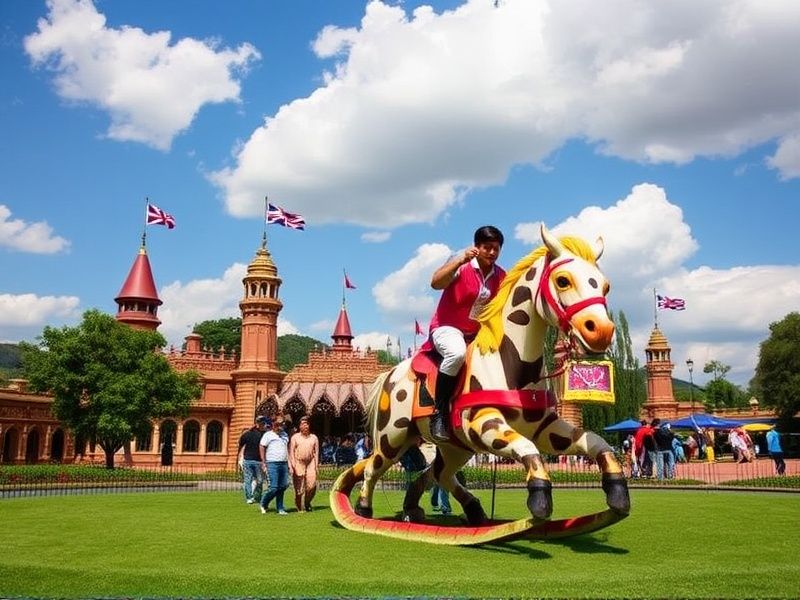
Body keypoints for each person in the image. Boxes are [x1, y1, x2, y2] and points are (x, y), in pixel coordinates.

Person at [424, 225, 506, 442]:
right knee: (457, 353)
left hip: (477, 332)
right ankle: (440, 413)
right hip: (447, 327)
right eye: (487, 247)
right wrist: (459, 260)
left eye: (496, 248)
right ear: (476, 247)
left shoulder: (501, 275)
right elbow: (435, 283)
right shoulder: (461, 264)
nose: (492, 252)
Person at [259, 415, 290, 515]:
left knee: (283, 486)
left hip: (284, 463)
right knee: (274, 488)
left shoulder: (285, 435)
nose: (281, 425)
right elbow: (262, 447)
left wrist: (289, 462)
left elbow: (287, 449)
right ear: (273, 424)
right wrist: (263, 462)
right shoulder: (268, 435)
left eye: (282, 423)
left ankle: (280, 508)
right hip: (272, 463)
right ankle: (264, 502)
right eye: (279, 423)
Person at [288, 416, 319, 512]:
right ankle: (299, 506)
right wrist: (292, 465)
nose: (305, 426)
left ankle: (307, 502)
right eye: (303, 424)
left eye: (306, 424)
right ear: (299, 426)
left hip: (310, 462)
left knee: (312, 485)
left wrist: (316, 465)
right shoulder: (295, 437)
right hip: (298, 462)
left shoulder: (314, 437)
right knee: (299, 487)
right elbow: (291, 452)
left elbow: (316, 452)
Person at [238, 416, 268, 504]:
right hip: (248, 460)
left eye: (263, 423)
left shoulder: (265, 435)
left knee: (260, 481)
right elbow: (240, 444)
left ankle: (257, 496)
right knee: (248, 479)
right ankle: (249, 497)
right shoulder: (248, 433)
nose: (262, 425)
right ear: (257, 423)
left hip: (259, 461)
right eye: (261, 423)